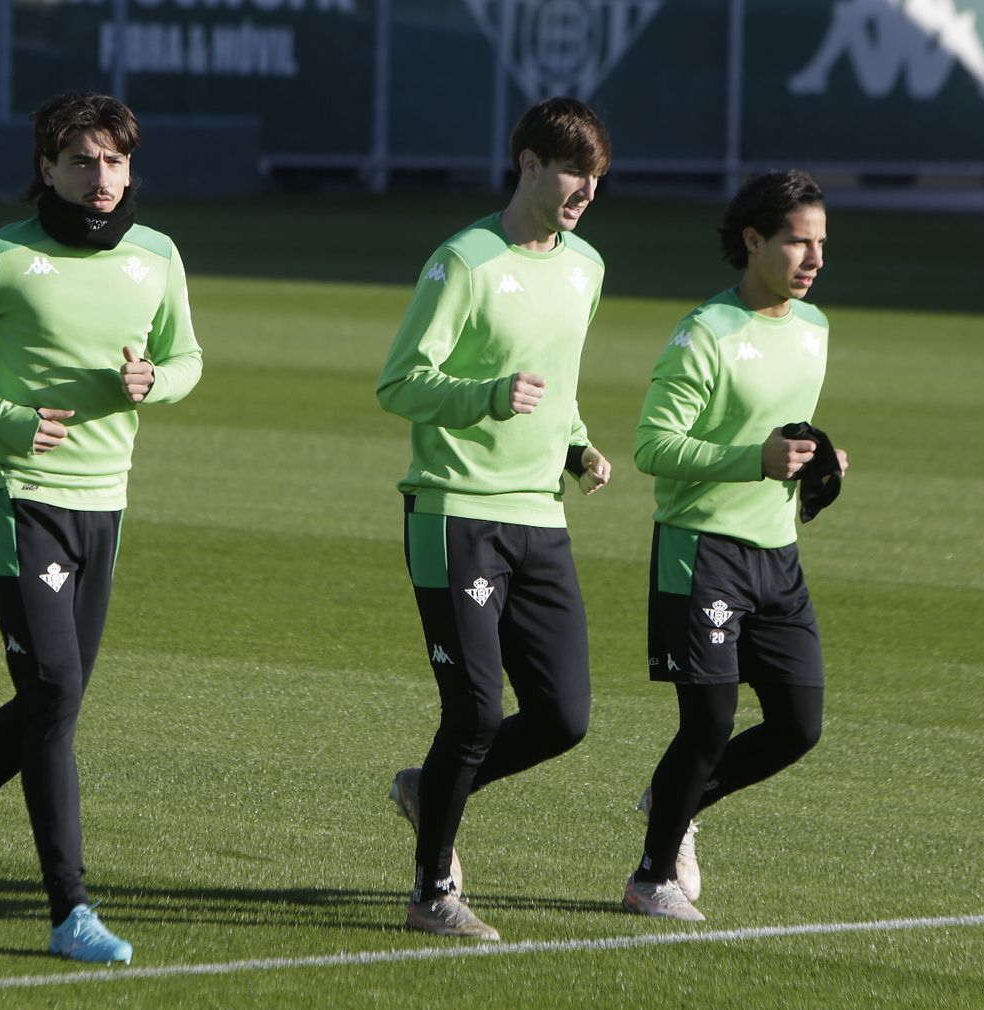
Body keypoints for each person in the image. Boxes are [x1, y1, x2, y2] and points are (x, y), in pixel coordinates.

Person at [0, 92, 201, 964]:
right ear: (47, 168)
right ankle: (70, 910)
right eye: (81, 161)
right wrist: (8, 418)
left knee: (49, 699)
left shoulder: (157, 256)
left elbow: (187, 357)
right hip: (17, 495)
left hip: (105, 502)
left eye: (114, 161)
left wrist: (155, 382)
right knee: (57, 693)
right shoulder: (1, 255)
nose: (100, 177)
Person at [375, 96, 614, 941]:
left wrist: (578, 447)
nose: (586, 190)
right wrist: (485, 396)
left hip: (540, 517)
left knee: (563, 718)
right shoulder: (464, 262)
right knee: (475, 713)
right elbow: (400, 382)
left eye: (596, 177)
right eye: (573, 172)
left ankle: (428, 789)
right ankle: (431, 893)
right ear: (528, 166)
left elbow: (559, 379)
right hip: (455, 513)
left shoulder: (586, 267)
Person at [624, 169, 847, 921]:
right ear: (753, 240)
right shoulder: (705, 334)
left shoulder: (814, 329)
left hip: (777, 555)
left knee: (798, 726)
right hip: (703, 552)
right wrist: (753, 460)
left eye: (822, 243)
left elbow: (782, 432)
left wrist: (818, 459)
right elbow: (653, 446)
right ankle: (652, 879)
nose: (814, 258)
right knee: (709, 722)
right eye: (798, 242)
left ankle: (677, 799)